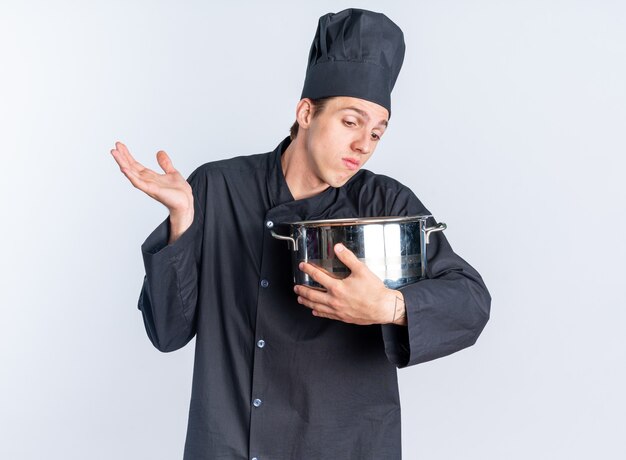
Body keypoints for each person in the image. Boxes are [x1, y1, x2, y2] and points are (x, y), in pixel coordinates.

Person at [111, 8, 490, 460]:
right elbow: (167, 332)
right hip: (228, 443)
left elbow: (471, 301)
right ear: (306, 112)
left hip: (347, 446)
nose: (363, 144)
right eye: (351, 122)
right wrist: (182, 220)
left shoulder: (386, 204)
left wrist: (389, 306)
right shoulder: (218, 187)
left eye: (376, 132)